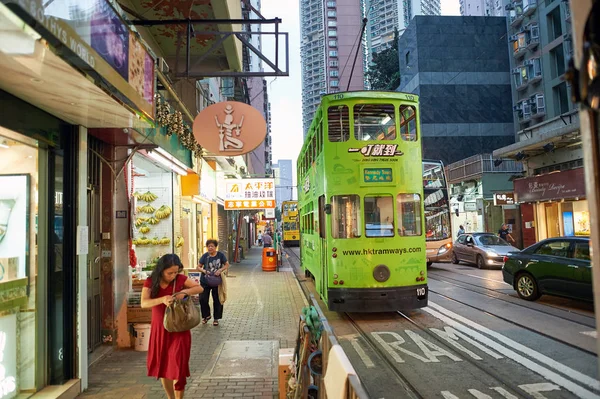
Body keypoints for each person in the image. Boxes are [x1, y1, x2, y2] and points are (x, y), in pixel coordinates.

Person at [141, 254, 203, 399]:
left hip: (179, 328)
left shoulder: (180, 279)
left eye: (176, 272)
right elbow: (144, 303)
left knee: (179, 366)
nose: (173, 275)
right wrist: (162, 299)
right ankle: (171, 397)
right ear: (162, 270)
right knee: (164, 366)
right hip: (160, 328)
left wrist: (184, 292)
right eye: (170, 273)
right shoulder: (151, 281)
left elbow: (199, 288)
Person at [198, 239, 230, 326]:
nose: (210, 248)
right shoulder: (205, 256)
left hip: (217, 281)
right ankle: (206, 316)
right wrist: (204, 271)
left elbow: (227, 264)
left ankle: (216, 318)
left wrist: (220, 270)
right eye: (208, 246)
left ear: (215, 247)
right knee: (202, 299)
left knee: (217, 299)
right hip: (205, 280)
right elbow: (199, 267)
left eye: (212, 246)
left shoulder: (220, 255)